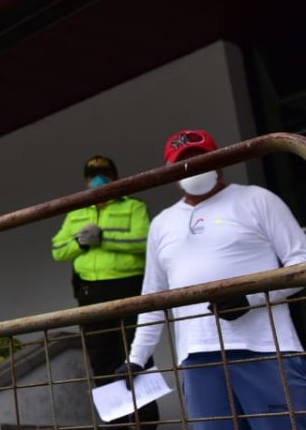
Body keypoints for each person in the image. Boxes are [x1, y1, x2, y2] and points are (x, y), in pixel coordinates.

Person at [119, 129, 306, 430]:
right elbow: (153, 297)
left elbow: (302, 261)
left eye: (201, 158)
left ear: (220, 160)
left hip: (266, 348)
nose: (194, 168)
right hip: (197, 359)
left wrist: (252, 297)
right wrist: (137, 359)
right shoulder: (161, 224)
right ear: (170, 173)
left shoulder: (257, 199)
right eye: (183, 162)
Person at [52, 155, 159, 425]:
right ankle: (117, 422)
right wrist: (82, 244)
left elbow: (144, 239)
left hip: (129, 287)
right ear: (86, 180)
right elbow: (57, 250)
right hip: (91, 292)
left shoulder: (133, 206)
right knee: (101, 361)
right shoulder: (76, 211)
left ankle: (146, 424)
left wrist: (105, 238)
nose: (98, 179)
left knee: (138, 358)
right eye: (93, 174)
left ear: (116, 177)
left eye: (104, 173)